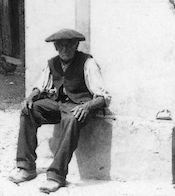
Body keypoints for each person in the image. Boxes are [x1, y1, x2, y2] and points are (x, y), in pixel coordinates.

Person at [9, 28, 110, 194]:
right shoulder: (53, 63)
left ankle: (56, 176)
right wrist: (30, 98)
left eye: (69, 45)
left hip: (80, 107)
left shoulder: (87, 63)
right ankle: (26, 167)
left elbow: (103, 96)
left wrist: (86, 106)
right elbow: (40, 86)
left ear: (76, 45)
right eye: (61, 46)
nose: (65, 49)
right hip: (58, 105)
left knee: (71, 120)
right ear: (56, 47)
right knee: (28, 110)